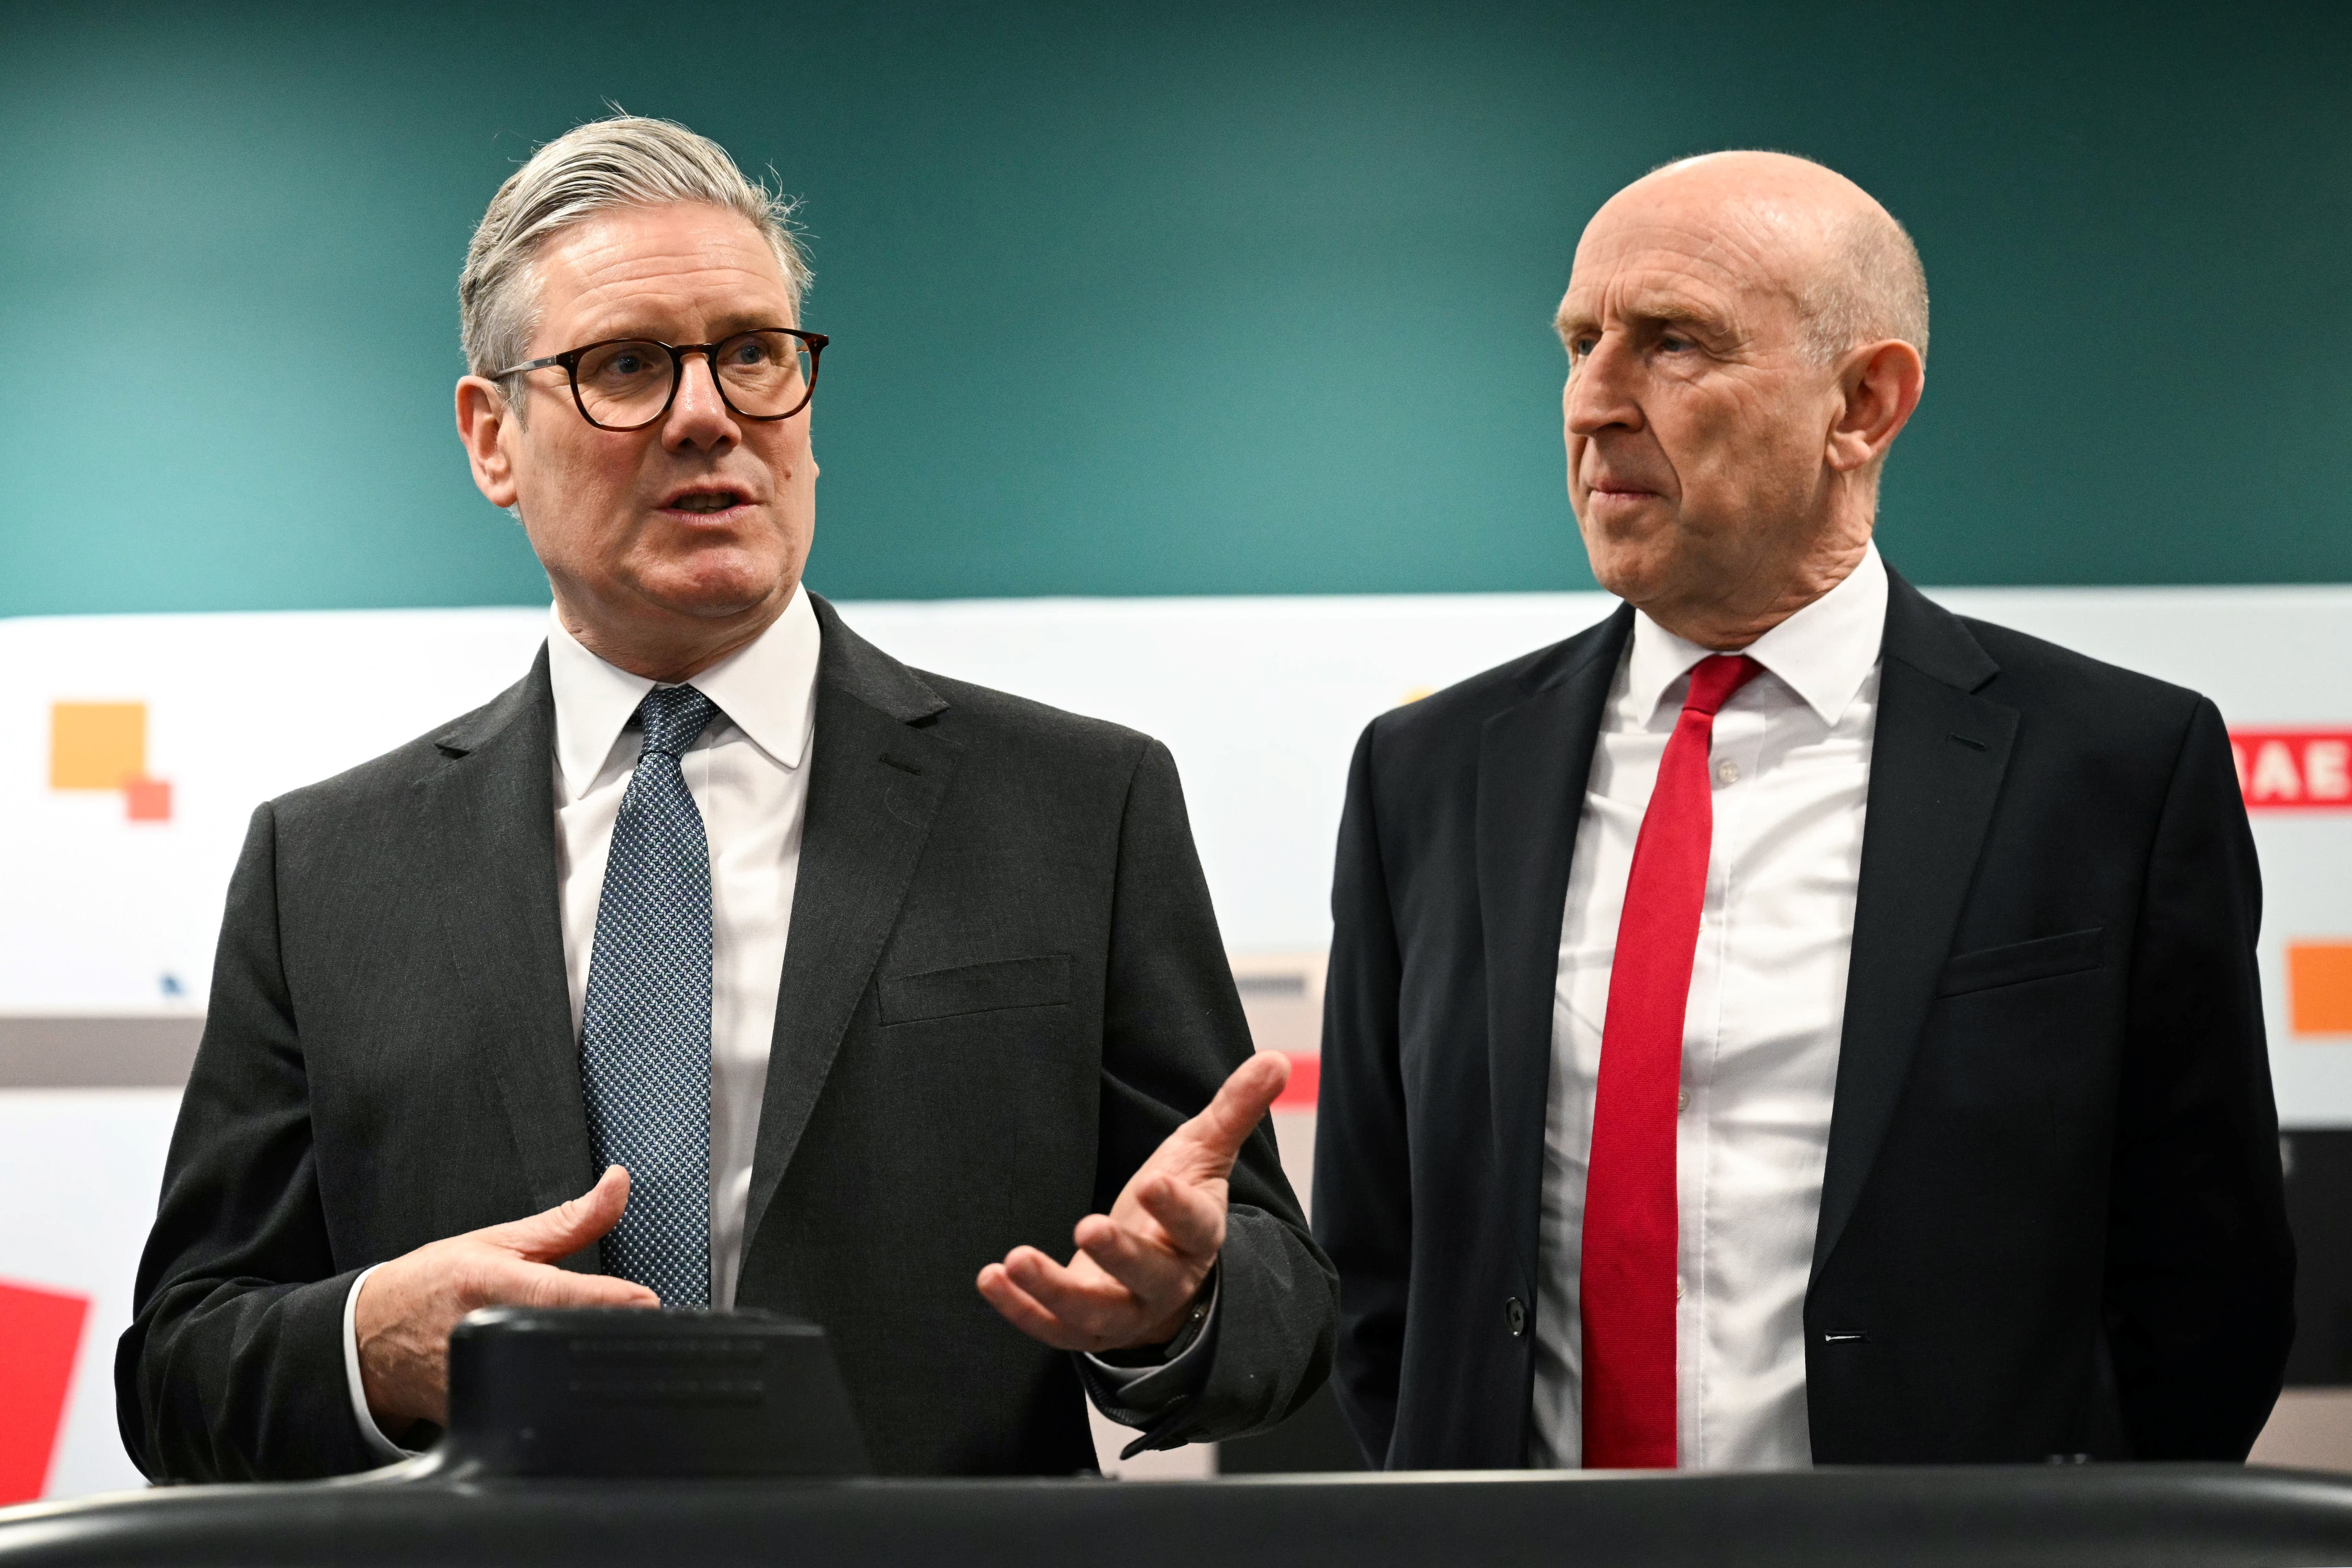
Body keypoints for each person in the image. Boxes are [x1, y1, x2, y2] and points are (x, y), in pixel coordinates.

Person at [118, 116, 1334, 1482]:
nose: (708, 414)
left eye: (753, 354)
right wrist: (373, 1344)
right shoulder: (325, 868)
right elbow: (178, 1374)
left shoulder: (1078, 808)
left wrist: (1180, 1309)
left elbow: (1280, 1302)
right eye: (626, 366)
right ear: (492, 438)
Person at [1312, 151, 2292, 1471]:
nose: (1593, 401)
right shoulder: (1426, 774)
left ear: (1863, 404)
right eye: (1580, 343)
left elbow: (2207, 1285)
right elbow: (1378, 1272)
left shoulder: (2115, 767)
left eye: (1672, 342)